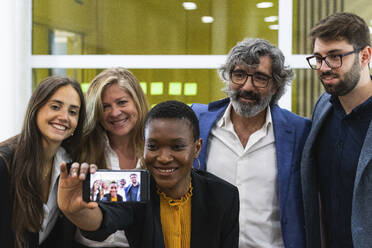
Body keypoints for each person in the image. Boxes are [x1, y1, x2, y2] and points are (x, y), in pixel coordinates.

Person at [58, 100, 240, 248]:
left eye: (177, 147)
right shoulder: (133, 185)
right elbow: (103, 221)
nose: (164, 157)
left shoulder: (224, 196)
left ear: (197, 148)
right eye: (153, 146)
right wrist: (76, 212)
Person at [191, 38, 311, 248]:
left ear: (275, 86)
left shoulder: (299, 132)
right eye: (239, 75)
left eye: (260, 78)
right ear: (228, 78)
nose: (247, 86)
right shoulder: (197, 121)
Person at [301, 12, 372, 248]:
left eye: (335, 57)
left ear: (364, 55)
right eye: (319, 58)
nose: (324, 67)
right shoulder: (323, 107)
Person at [0, 76, 86, 247]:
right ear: (36, 109)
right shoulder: (4, 163)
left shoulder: (70, 165)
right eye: (55, 107)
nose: (64, 117)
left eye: (73, 112)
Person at [74, 67, 148, 247]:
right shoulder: (79, 149)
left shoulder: (155, 151)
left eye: (122, 102)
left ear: (137, 102)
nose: (115, 113)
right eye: (105, 106)